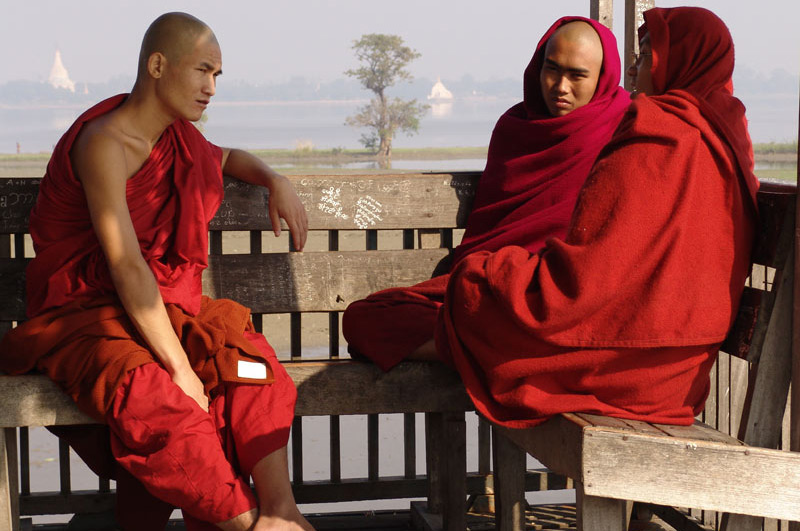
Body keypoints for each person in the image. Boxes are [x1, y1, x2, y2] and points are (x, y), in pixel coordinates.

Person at [0, 12, 313, 531]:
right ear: (158, 65)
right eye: (203, 71)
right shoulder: (103, 143)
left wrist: (274, 177)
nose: (211, 88)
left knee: (249, 361)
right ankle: (250, 523)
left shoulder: (179, 140)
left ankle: (283, 512)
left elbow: (226, 156)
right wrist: (181, 369)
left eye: (218, 76)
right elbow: (125, 265)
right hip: (86, 316)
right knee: (158, 399)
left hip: (165, 306)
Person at [436, 6, 760, 428]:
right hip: (684, 372)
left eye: (646, 57)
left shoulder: (655, 131)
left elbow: (586, 278)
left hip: (626, 368)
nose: (637, 71)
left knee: (473, 287)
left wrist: (498, 271)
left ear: (675, 63)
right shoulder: (731, 137)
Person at [342, 16, 630, 370]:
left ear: (602, 77)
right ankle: (511, 353)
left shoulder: (624, 130)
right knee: (363, 320)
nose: (560, 86)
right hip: (495, 293)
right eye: (551, 69)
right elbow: (490, 235)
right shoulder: (516, 130)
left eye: (577, 75)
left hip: (561, 297)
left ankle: (498, 350)